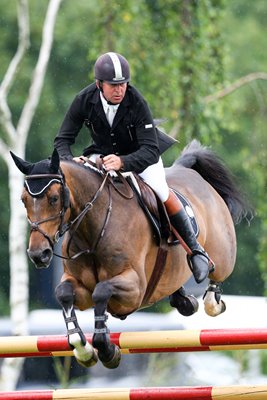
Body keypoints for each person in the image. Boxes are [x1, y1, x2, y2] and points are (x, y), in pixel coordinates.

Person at [54, 51, 211, 284]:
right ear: (99, 84)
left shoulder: (136, 102)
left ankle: (195, 250)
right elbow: (62, 141)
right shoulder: (84, 100)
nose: (119, 90)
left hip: (140, 156)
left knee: (160, 190)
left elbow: (149, 150)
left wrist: (123, 162)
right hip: (102, 154)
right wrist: (69, 160)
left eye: (123, 84)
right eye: (113, 85)